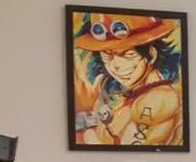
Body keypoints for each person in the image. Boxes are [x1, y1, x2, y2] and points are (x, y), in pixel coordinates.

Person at [73, 13, 185, 146]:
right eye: (107, 57)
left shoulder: (158, 99)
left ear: (151, 54)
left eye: (128, 55)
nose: (115, 66)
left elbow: (124, 153)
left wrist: (85, 113)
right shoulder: (131, 96)